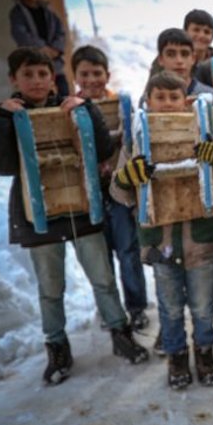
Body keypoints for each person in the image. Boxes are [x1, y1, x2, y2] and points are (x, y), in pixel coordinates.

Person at [0, 47, 149, 385]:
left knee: (102, 278)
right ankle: (57, 347)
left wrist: (86, 109)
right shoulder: (6, 115)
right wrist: (2, 120)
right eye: (28, 74)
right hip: (38, 216)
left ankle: (120, 333)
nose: (36, 81)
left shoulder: (70, 107)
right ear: (14, 79)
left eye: (42, 74)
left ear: (52, 77)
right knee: (50, 287)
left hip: (81, 208)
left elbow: (102, 149)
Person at [110, 71, 213, 389]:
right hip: (161, 244)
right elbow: (120, 194)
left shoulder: (202, 132)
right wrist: (126, 177)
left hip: (201, 242)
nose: (167, 104)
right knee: (170, 307)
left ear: (186, 101)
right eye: (160, 98)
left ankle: (204, 352)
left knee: (204, 307)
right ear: (148, 102)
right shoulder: (136, 139)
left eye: (173, 97)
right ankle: (177, 355)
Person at [71, 45, 149, 331]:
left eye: (97, 73)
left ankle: (137, 306)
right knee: (100, 256)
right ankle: (110, 310)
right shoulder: (69, 107)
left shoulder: (122, 105)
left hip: (119, 190)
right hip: (87, 195)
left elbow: (133, 142)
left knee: (128, 250)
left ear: (107, 74)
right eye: (85, 74)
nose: (91, 79)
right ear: (75, 76)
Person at [9, 0, 68, 97]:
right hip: (32, 59)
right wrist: (41, 49)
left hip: (54, 61)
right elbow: (21, 34)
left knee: (63, 93)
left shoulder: (47, 11)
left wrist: (55, 49)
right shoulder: (18, 13)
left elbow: (60, 31)